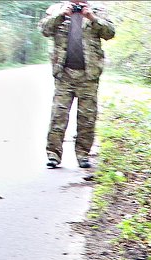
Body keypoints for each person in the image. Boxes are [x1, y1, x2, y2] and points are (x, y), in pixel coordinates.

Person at [38, 1, 115, 169]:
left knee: (87, 118)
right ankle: (53, 155)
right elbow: (44, 30)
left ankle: (83, 155)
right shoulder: (57, 9)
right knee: (58, 115)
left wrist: (92, 17)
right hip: (64, 74)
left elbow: (110, 33)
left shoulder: (97, 10)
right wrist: (60, 16)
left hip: (89, 75)